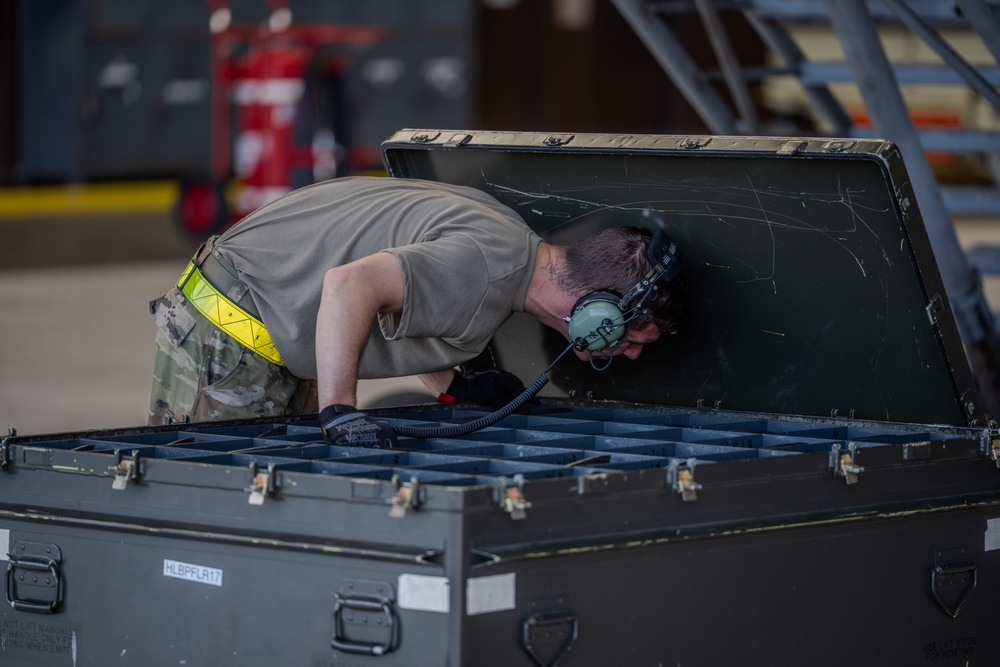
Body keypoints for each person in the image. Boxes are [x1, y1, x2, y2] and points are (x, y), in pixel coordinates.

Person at [148, 176, 685, 446]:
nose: (631, 354)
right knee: (213, 515)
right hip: (231, 329)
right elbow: (349, 286)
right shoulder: (485, 271)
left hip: (271, 327)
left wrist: (451, 387)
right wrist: (340, 410)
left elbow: (400, 311)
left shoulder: (511, 246)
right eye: (635, 337)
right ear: (599, 314)